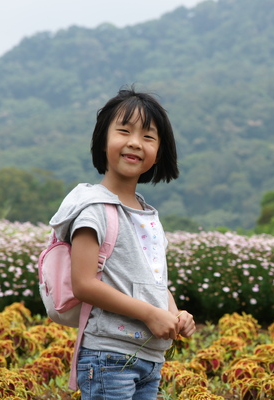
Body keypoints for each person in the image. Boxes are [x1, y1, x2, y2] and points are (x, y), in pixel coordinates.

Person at [49, 86, 196, 399]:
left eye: (148, 136)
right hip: (108, 357)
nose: (134, 142)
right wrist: (148, 314)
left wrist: (174, 313)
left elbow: (154, 282)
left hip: (149, 358)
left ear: (159, 152)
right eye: (124, 131)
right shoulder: (93, 209)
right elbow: (84, 284)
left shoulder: (149, 216)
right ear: (103, 141)